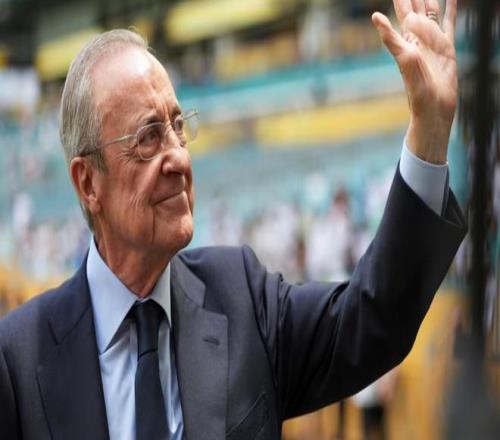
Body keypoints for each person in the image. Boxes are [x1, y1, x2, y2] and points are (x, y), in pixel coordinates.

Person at [0, 1, 466, 439]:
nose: (178, 158)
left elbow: (374, 317)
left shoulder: (241, 297)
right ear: (87, 183)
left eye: (178, 127)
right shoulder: (19, 358)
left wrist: (429, 133)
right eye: (148, 138)